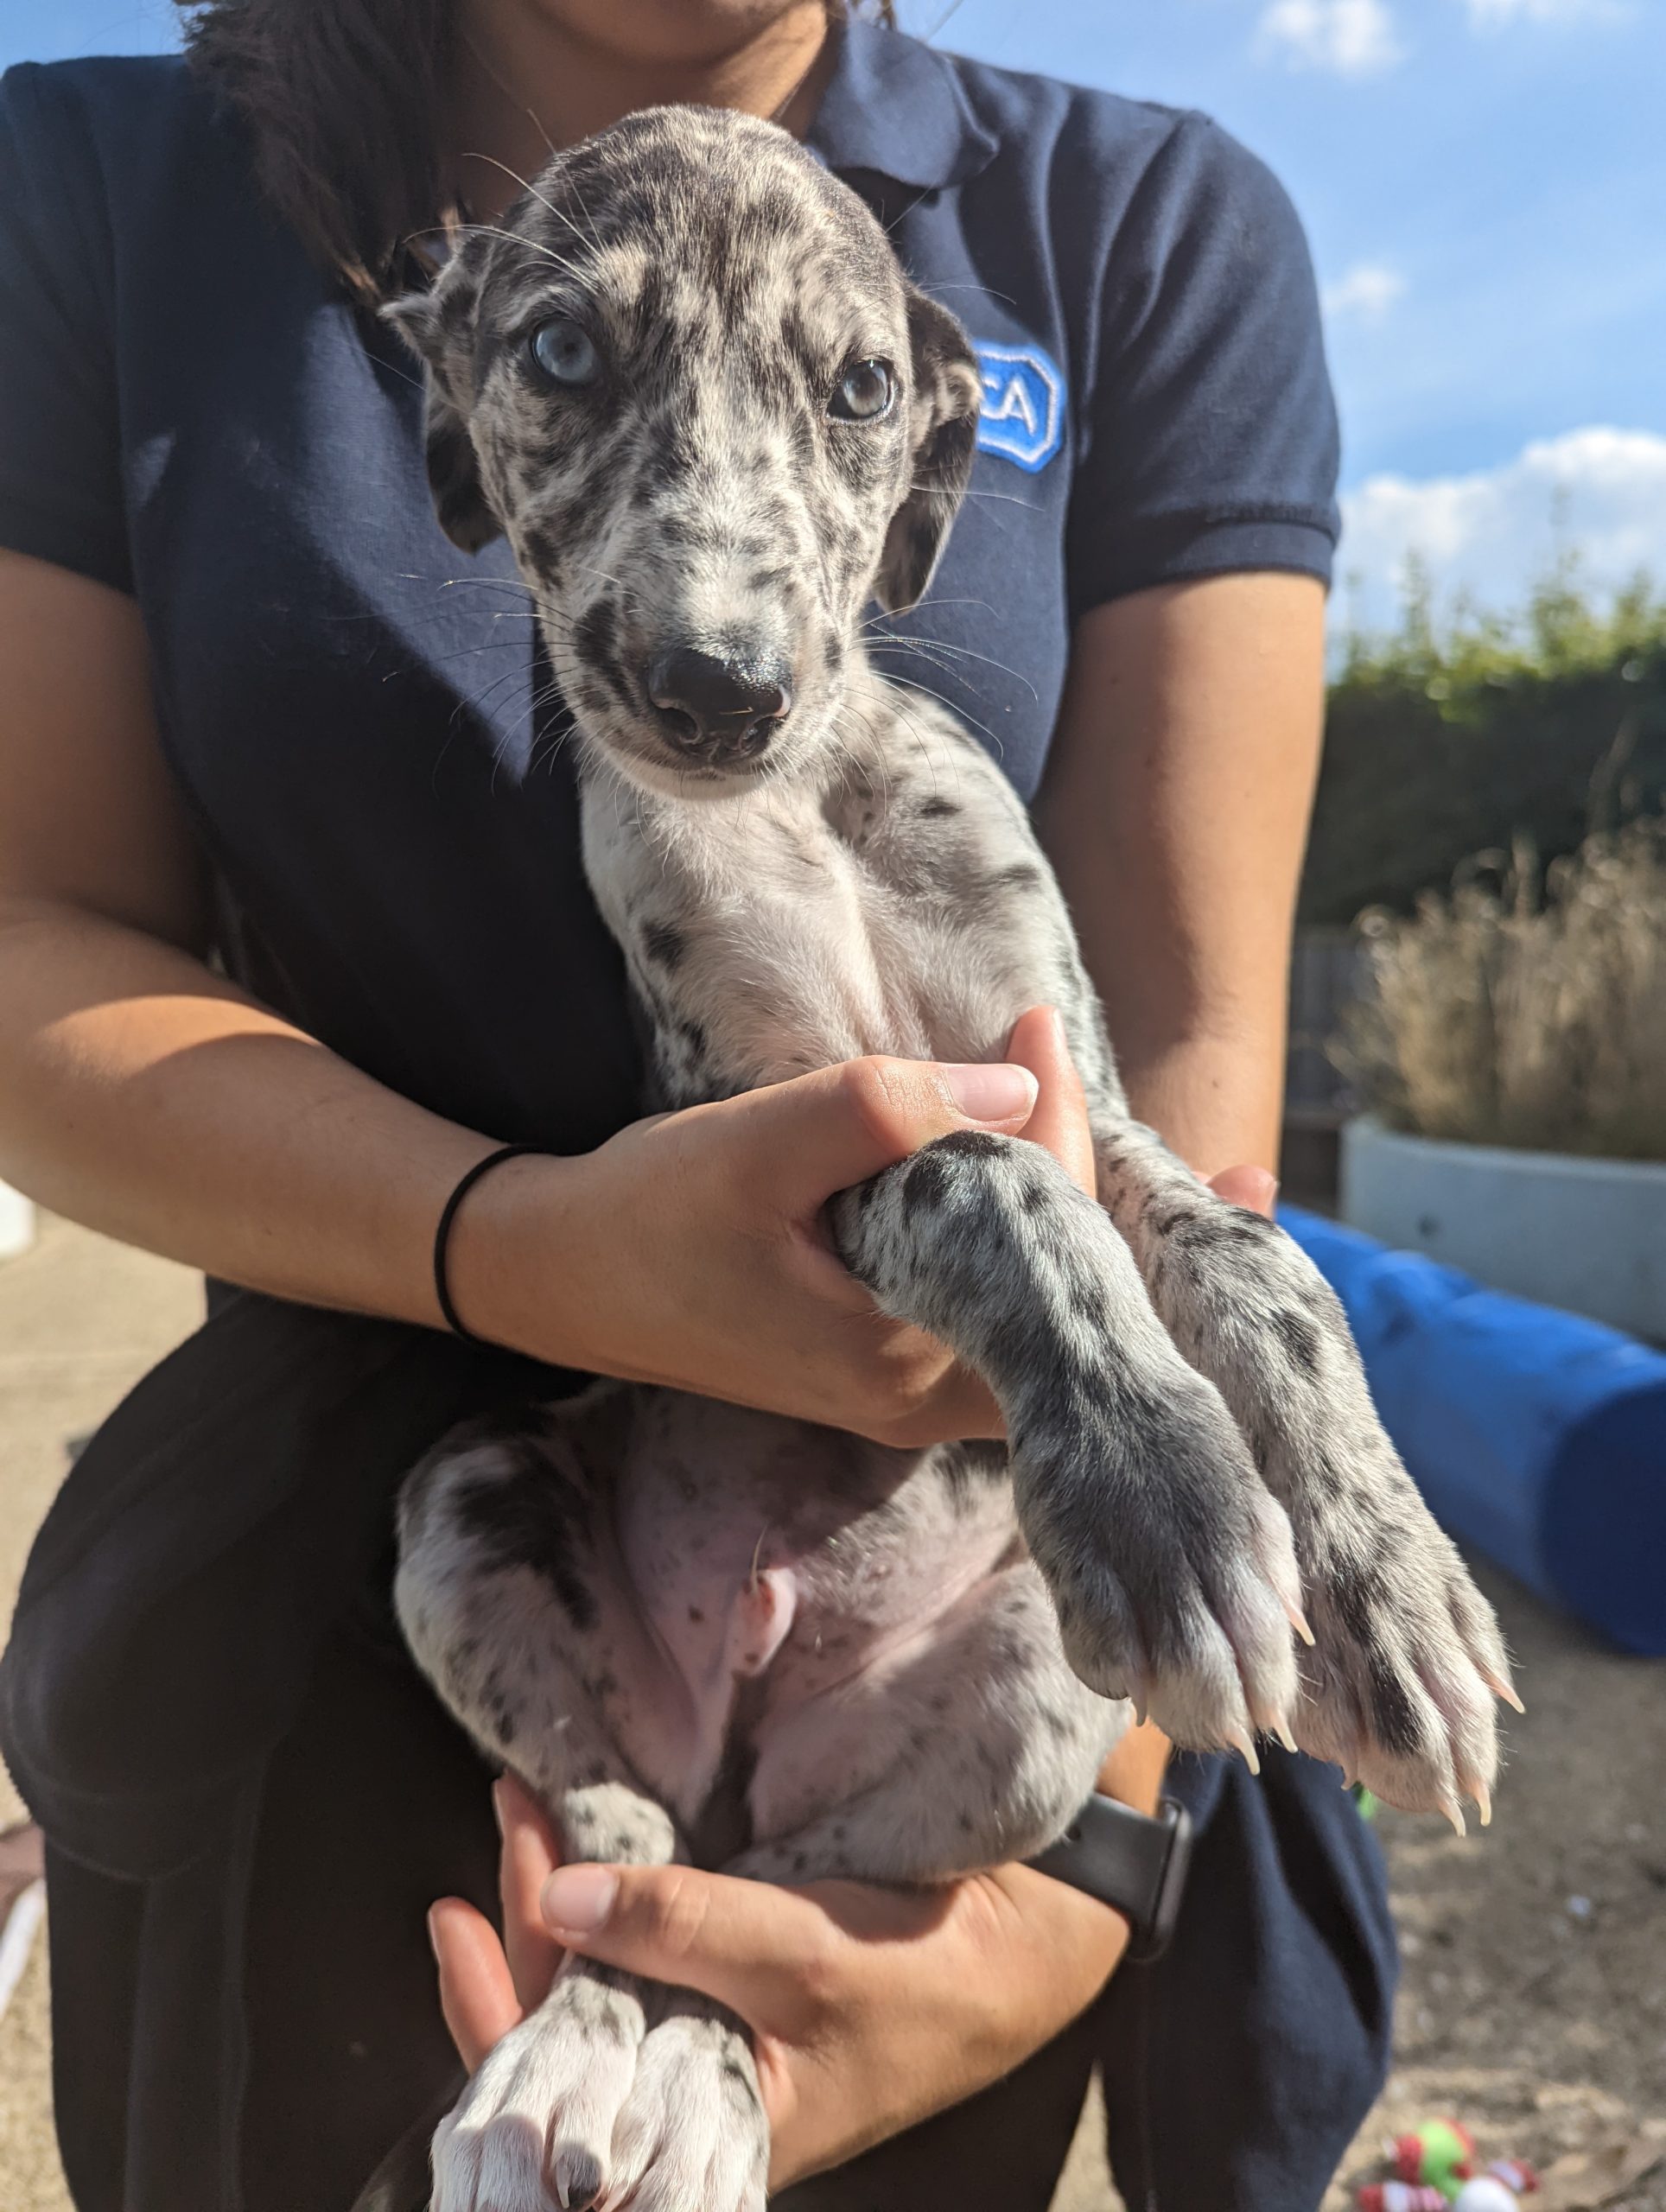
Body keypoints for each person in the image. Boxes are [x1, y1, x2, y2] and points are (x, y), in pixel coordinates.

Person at [0, 2, 1397, 2207]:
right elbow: (28, 938)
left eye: (846, 397)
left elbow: (1167, 1085)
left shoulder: (1142, 229)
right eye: (564, 363)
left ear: (917, 443)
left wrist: (1076, 1846)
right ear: (469, 403)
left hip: (958, 1726)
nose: (718, 611)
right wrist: (529, 1248)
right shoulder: (86, 180)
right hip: (407, 1611)